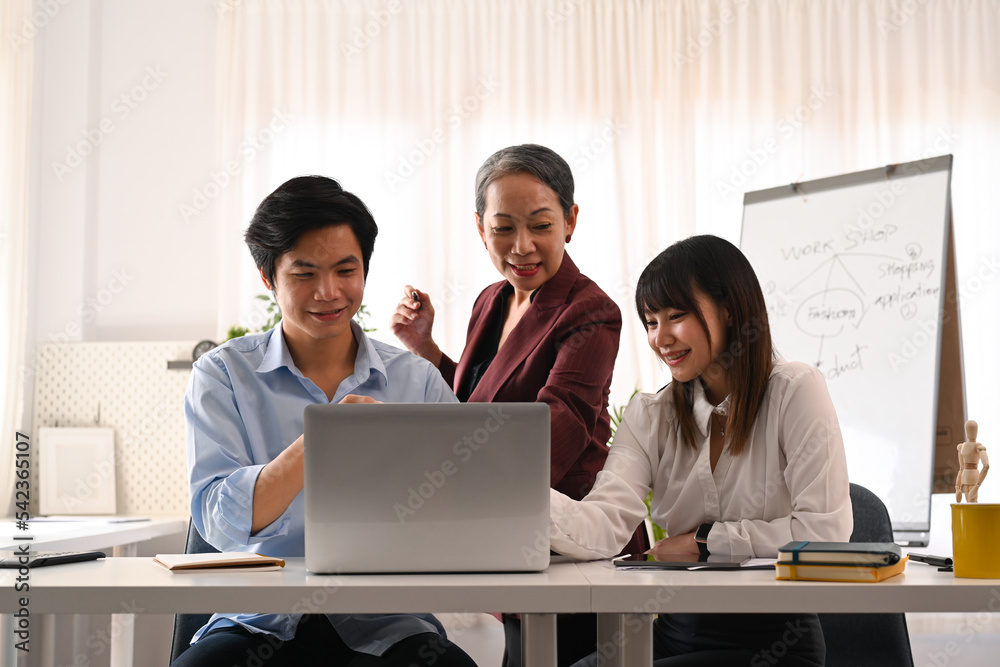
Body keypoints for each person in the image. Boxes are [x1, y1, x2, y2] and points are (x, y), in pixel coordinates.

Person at [178, 176, 477, 667]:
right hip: (258, 621)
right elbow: (218, 517)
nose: (329, 292)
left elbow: (469, 508)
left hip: (387, 621)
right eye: (304, 274)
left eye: (346, 270)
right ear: (267, 276)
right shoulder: (224, 374)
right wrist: (320, 442)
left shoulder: (416, 380)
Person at [391, 144, 645, 667]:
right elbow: (476, 406)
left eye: (540, 225)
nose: (521, 246)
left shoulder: (592, 312)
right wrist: (428, 350)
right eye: (503, 227)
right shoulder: (492, 299)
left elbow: (552, 434)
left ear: (571, 221)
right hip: (512, 539)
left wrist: (430, 479)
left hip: (577, 546)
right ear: (480, 227)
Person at [549, 235, 853, 667]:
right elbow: (605, 522)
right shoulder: (649, 415)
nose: (661, 338)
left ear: (729, 310)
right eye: (651, 321)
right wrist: (519, 498)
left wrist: (707, 541)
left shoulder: (794, 391)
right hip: (672, 633)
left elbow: (825, 535)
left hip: (772, 643)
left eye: (676, 315)